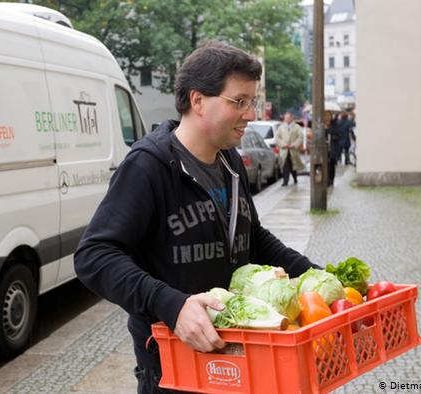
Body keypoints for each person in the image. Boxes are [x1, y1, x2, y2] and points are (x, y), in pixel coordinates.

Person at [73, 42, 320, 394]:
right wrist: (173, 307)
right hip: (174, 369)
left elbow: (253, 239)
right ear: (198, 101)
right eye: (240, 101)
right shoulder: (148, 166)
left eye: (251, 101)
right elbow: (93, 256)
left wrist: (317, 277)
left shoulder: (229, 162)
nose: (250, 114)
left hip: (233, 359)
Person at [275, 112, 305, 186]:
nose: (287, 119)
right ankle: (285, 181)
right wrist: (283, 144)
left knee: (293, 166)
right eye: (286, 118)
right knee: (285, 166)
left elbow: (300, 137)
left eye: (288, 118)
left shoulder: (297, 127)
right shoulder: (281, 127)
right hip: (284, 150)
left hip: (293, 150)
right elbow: (277, 138)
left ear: (291, 118)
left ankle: (295, 178)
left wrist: (294, 145)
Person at [327, 112, 343, 186]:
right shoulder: (321, 123)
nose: (327, 117)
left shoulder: (334, 124)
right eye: (325, 115)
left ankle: (331, 179)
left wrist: (328, 129)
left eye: (328, 115)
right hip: (324, 148)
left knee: (331, 165)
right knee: (326, 164)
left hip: (333, 147)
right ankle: (326, 180)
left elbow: (339, 134)